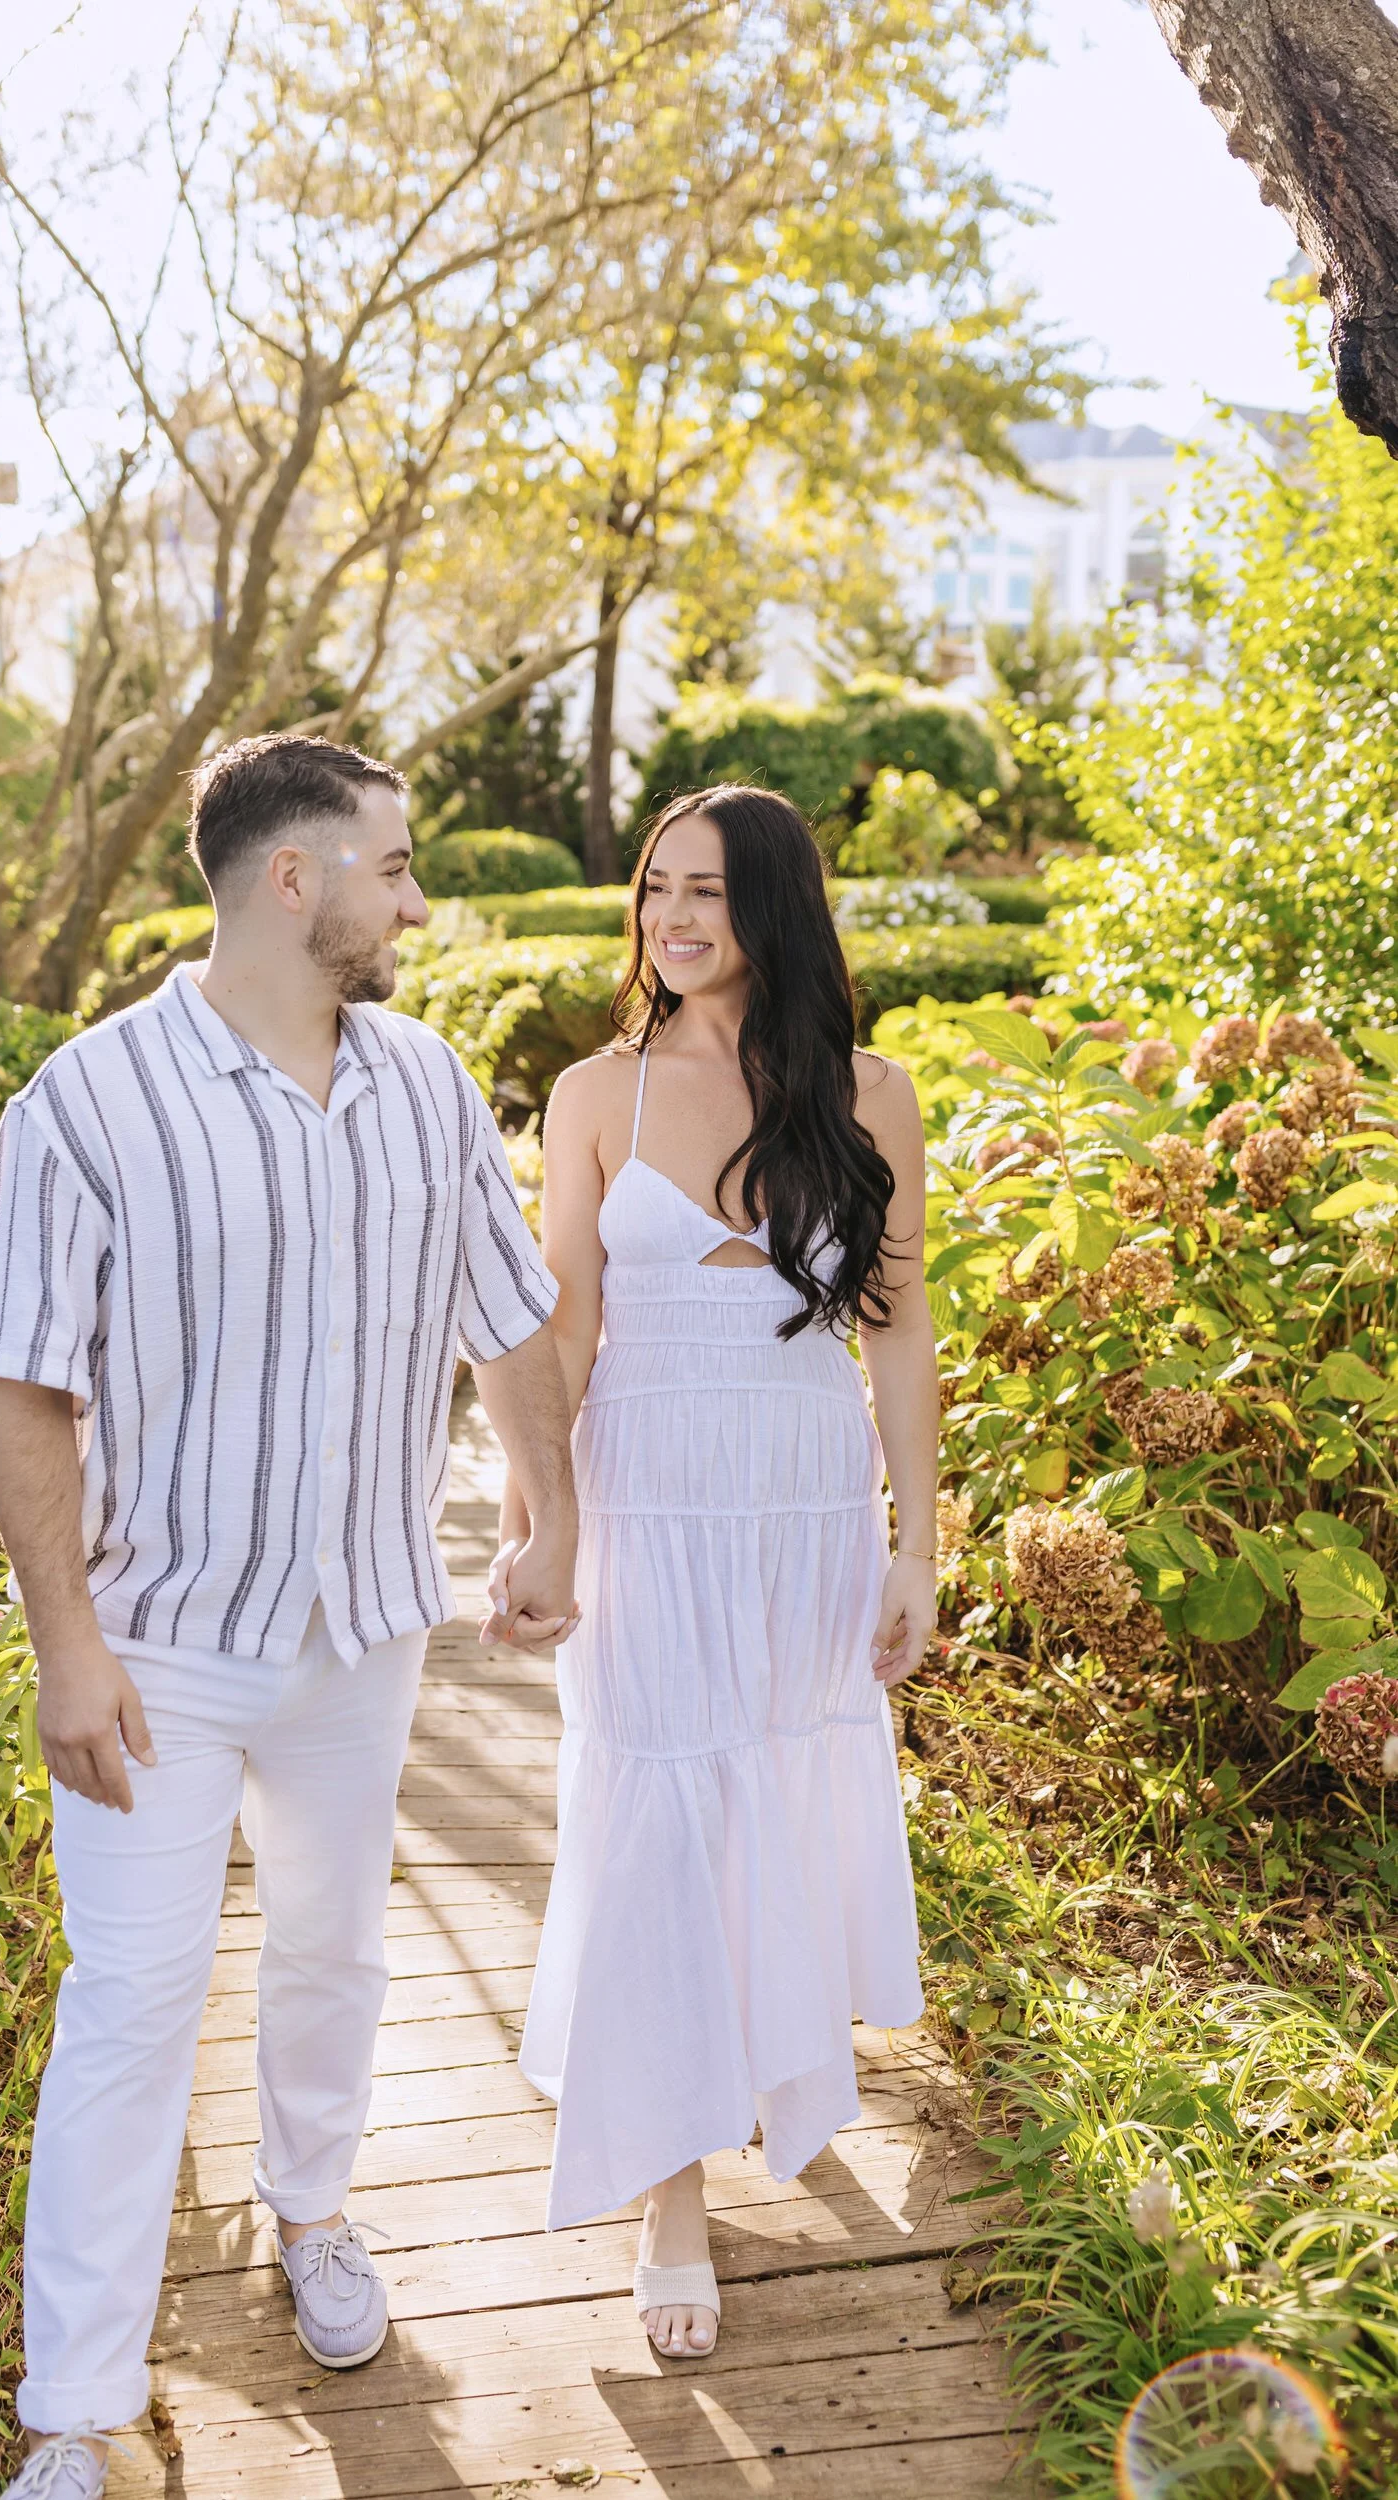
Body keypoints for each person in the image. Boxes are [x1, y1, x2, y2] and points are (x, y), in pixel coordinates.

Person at [0, 733, 577, 2500]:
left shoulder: (428, 1083)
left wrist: (549, 1513)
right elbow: (21, 1387)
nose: (417, 895)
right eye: (393, 864)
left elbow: (509, 1309)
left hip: (367, 1623)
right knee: (134, 2001)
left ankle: (316, 2215)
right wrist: (63, 1642)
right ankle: (74, 2415)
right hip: (160, 1644)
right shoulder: (84, 1105)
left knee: (333, 1948)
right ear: (292, 880)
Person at [497, 783, 936, 2361]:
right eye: (655, 892)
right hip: (652, 1502)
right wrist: (541, 1517)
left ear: (776, 910)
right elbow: (560, 1326)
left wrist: (918, 1542)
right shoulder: (593, 1091)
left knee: (777, 1794)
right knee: (660, 1815)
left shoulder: (870, 1093)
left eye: (709, 893)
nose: (674, 921)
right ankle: (670, 2194)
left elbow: (899, 1334)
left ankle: (769, 2070)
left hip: (807, 1503)